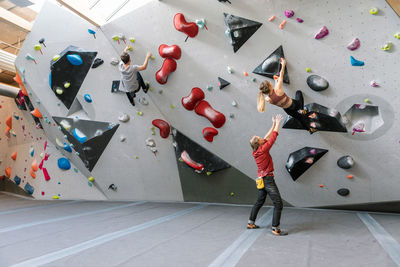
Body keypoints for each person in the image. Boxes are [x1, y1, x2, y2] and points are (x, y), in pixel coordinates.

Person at [248, 114, 288, 236]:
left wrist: (273, 124)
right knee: (278, 203)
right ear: (259, 143)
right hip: (268, 180)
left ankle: (251, 222)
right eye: (259, 138)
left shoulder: (256, 151)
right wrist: (278, 123)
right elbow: (273, 137)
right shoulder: (264, 149)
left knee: (260, 201)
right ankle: (275, 228)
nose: (262, 138)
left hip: (261, 179)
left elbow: (267, 136)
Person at [257, 57, 316, 134]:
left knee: (300, 119)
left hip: (288, 110)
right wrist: (283, 64)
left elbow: (273, 92)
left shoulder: (267, 99)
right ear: (270, 86)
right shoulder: (278, 89)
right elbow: (281, 74)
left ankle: (310, 129)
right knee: (298, 93)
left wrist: (275, 81)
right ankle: (301, 109)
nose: (271, 83)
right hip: (295, 104)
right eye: (269, 83)